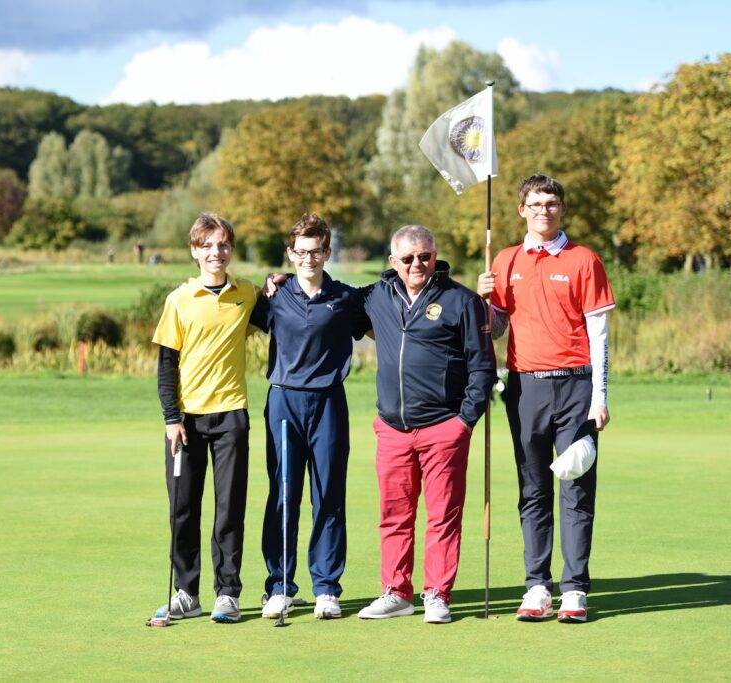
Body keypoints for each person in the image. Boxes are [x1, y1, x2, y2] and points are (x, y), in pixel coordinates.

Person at [477, 173, 615, 623]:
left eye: (551, 204)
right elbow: (495, 329)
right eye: (535, 204)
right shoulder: (505, 258)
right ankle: (537, 585)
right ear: (522, 210)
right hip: (524, 387)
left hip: (576, 385)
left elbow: (599, 332)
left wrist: (600, 395)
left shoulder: (584, 260)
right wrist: (485, 304)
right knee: (532, 490)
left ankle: (574, 589)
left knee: (575, 486)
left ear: (562, 209)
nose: (544, 211)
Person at [355, 225, 495, 623]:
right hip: (392, 428)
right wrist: (279, 284)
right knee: (394, 514)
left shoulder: (461, 300)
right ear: (392, 261)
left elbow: (482, 367)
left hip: (443, 428)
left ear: (435, 256)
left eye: (426, 256)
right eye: (409, 258)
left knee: (443, 515)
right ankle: (397, 592)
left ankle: (437, 594)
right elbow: (329, 299)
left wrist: (464, 422)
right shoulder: (376, 296)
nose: (418, 263)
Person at [249, 214, 370, 621]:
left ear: (327, 252)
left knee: (329, 494)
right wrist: (270, 279)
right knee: (284, 494)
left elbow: (384, 318)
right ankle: (280, 586)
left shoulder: (345, 298)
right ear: (290, 253)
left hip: (329, 403)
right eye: (300, 252)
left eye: (316, 251)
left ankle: (326, 587)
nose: (308, 259)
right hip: (283, 401)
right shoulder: (274, 296)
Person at [151, 213, 260, 624]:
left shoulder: (245, 294)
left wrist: (278, 282)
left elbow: (280, 316)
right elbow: (166, 365)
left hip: (231, 415)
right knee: (183, 509)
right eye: (208, 246)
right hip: (187, 421)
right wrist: (170, 417)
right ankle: (186, 592)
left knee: (230, 508)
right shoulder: (178, 300)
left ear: (231, 249)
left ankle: (228, 593)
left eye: (224, 245)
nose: (217, 252)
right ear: (195, 251)